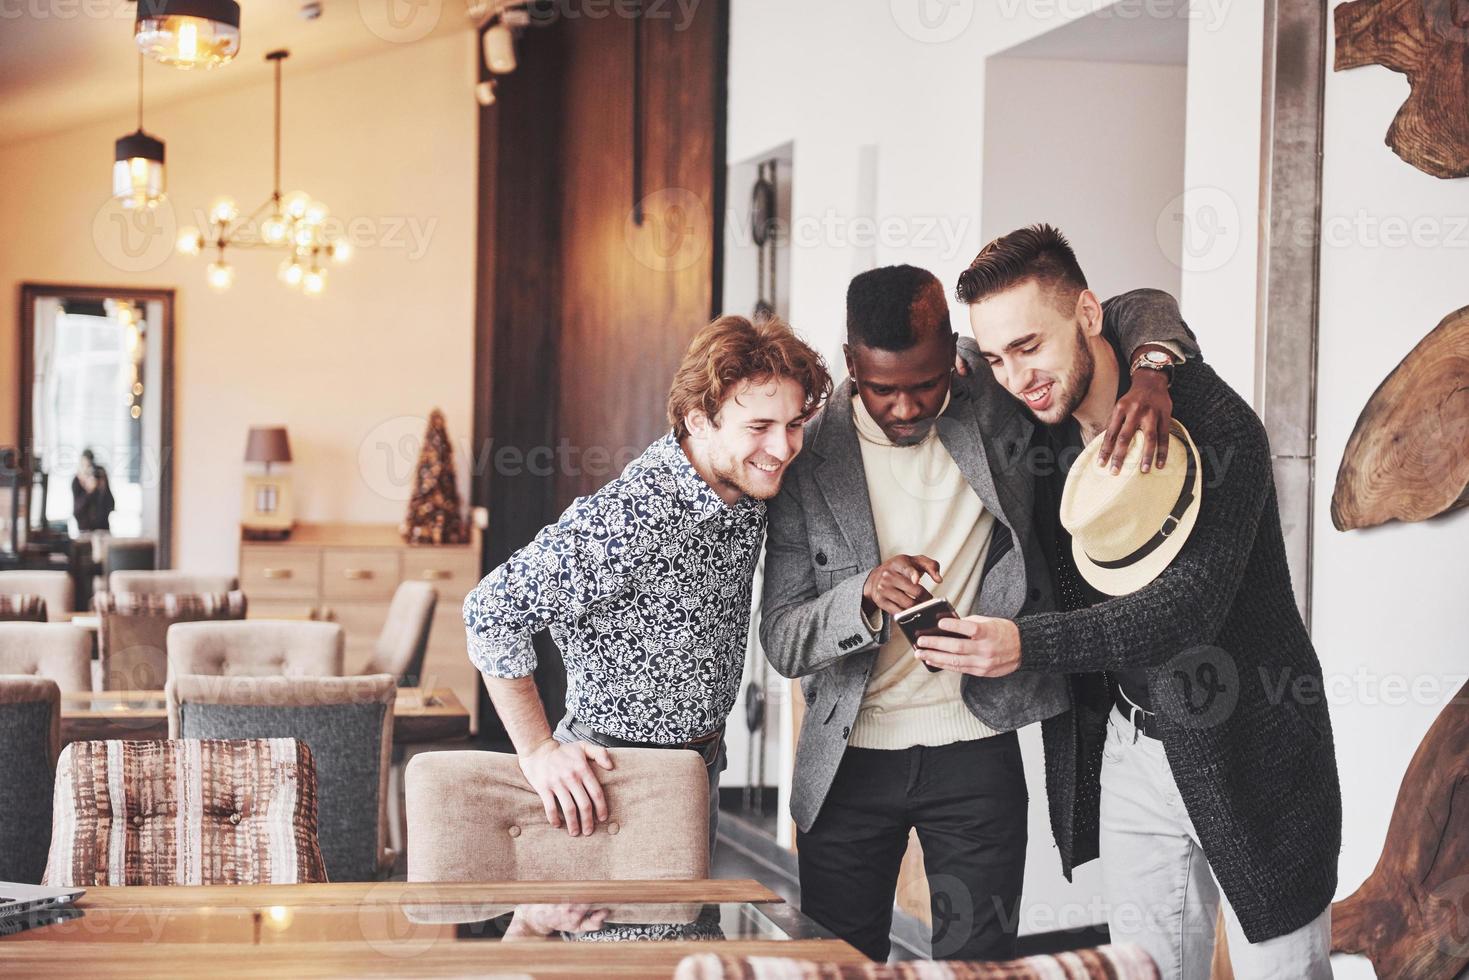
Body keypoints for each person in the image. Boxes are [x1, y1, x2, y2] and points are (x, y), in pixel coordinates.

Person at [917, 224, 1341, 977]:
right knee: (1142, 971)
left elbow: (1185, 610)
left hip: (1256, 750)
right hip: (1131, 747)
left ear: (1086, 315)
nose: (1017, 376)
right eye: (997, 357)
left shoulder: (1214, 425)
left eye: (1029, 346)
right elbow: (1143, 311)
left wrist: (1025, 644)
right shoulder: (1038, 429)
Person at [758, 264, 1198, 962]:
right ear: (849, 363)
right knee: (837, 969)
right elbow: (781, 639)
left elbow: (1137, 306)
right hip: (846, 768)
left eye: (923, 385)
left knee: (981, 970)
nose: (904, 408)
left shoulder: (991, 393)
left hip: (977, 748)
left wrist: (1152, 372)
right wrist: (862, 595)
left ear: (952, 355)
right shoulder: (805, 461)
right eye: (880, 390)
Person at [463, 314, 832, 858]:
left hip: (701, 762)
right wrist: (538, 749)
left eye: (795, 423)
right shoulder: (635, 515)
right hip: (615, 774)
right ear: (698, 420)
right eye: (759, 427)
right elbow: (490, 611)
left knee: (688, 936)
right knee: (637, 943)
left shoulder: (745, 481)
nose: (782, 447)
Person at [72, 449, 114, 532]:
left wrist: (103, 487)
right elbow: (77, 511)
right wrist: (88, 491)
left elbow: (111, 505)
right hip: (84, 530)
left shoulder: (99, 478)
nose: (89, 473)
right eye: (85, 466)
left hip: (102, 529)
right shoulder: (77, 481)